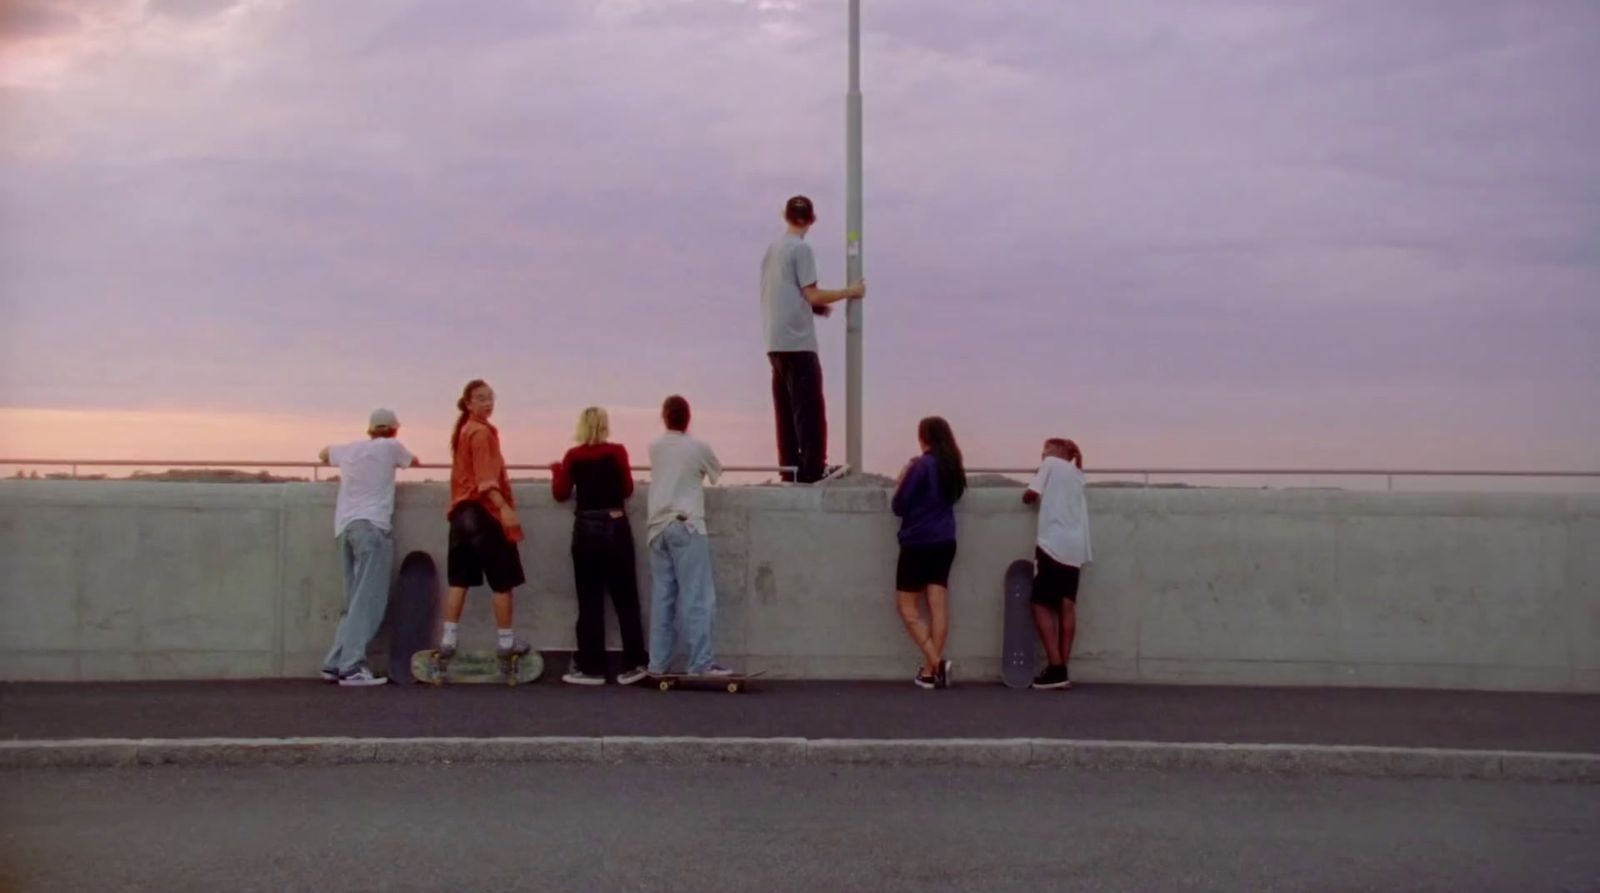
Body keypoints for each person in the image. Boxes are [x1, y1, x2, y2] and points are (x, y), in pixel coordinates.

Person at [760, 194, 866, 483]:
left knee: (785, 413)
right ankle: (813, 470)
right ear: (812, 219)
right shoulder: (801, 250)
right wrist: (850, 292)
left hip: (774, 341)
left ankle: (790, 470)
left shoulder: (773, 250)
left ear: (785, 216)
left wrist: (815, 308)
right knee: (809, 410)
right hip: (798, 343)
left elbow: (785, 292)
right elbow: (812, 293)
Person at [317, 408, 421, 686]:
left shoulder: (350, 449)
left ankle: (334, 663)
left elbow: (323, 453)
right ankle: (352, 666)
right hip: (373, 528)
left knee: (353, 601)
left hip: (346, 527)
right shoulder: (392, 447)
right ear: (394, 429)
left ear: (370, 429)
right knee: (369, 602)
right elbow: (414, 462)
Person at [551, 407, 649, 686]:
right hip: (616, 524)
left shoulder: (573, 456)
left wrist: (557, 470)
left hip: (586, 529)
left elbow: (560, 494)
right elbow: (627, 489)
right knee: (626, 599)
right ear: (605, 426)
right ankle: (634, 663)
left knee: (589, 600)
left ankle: (591, 667)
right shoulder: (617, 452)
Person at [438, 379, 531, 662]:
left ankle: (448, 639)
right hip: (483, 514)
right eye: (481, 399)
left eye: (490, 398)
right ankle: (506, 642)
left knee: (459, 580)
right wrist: (504, 508)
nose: (488, 403)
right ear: (468, 403)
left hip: (460, 515)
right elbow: (486, 481)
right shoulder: (482, 434)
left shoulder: (464, 431)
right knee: (502, 581)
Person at [644, 395, 730, 677]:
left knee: (663, 599)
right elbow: (716, 472)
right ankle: (700, 664)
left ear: (664, 416)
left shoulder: (654, 448)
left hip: (657, 528)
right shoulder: (698, 447)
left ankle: (657, 665)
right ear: (688, 418)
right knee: (697, 597)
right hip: (687, 525)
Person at [891, 416, 967, 689]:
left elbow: (899, 506)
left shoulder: (921, 465)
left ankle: (936, 662)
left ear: (923, 436)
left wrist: (902, 478)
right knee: (938, 607)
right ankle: (929, 672)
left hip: (918, 542)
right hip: (945, 540)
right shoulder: (952, 467)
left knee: (907, 607)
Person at [1023, 438, 1092, 690]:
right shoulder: (1076, 474)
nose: (1042, 455)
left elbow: (1030, 496)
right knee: (1066, 605)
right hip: (1076, 546)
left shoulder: (1050, 464)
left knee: (1039, 603)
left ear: (1056, 453)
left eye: (1045, 451)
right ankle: (1062, 667)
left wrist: (1030, 486)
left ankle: (1055, 667)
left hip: (1053, 543)